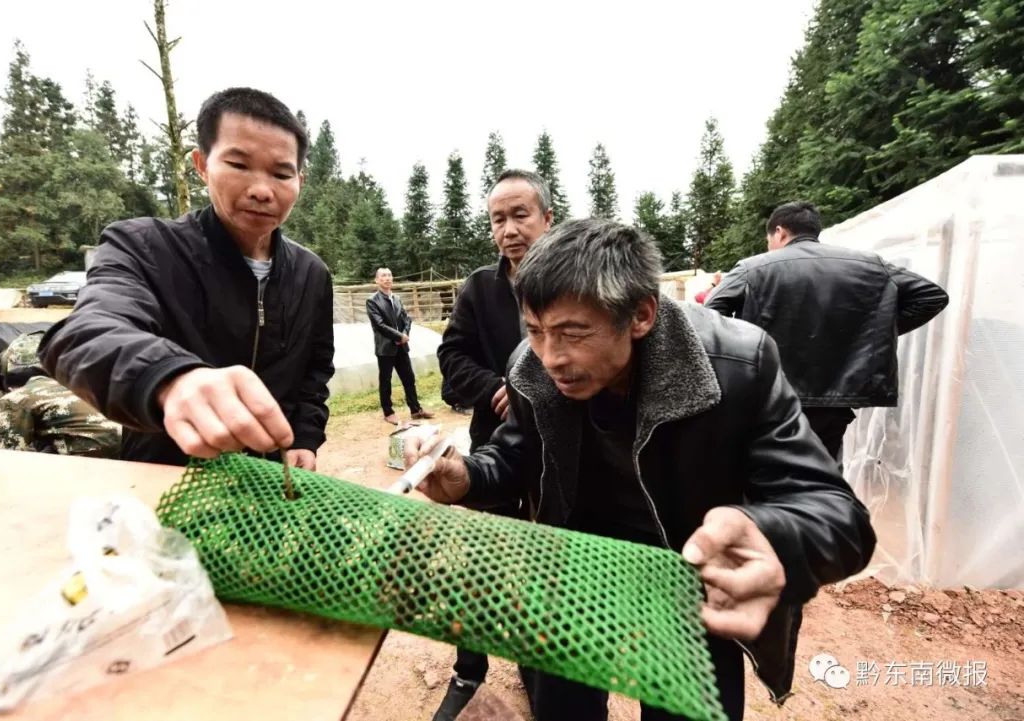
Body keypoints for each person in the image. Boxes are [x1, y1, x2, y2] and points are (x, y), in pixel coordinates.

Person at [406, 219, 877, 721]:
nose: (552, 357)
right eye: (537, 331)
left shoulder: (739, 363)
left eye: (573, 333)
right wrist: (469, 477)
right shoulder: (531, 366)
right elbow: (517, 455)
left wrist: (773, 535)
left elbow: (839, 517)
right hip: (575, 579)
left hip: (690, 585)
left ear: (641, 315)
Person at [40, 87, 334, 468]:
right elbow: (85, 334)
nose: (262, 190)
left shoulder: (312, 274)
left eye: (281, 173)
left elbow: (315, 369)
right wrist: (171, 377)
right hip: (167, 475)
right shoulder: (143, 247)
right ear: (201, 164)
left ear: (300, 181)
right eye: (239, 165)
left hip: (270, 477)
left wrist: (305, 437)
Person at [431, 168, 552, 720]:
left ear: (547, 218)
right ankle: (469, 671)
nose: (509, 229)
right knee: (478, 565)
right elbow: (452, 357)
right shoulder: (480, 288)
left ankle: (537, 664)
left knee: (548, 561)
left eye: (520, 214)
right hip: (494, 448)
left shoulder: (574, 277)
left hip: (559, 451)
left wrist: (536, 387)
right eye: (498, 219)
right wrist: (497, 387)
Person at [706, 201, 949, 461]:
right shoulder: (870, 264)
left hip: (771, 390)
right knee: (824, 469)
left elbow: (711, 313)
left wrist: (744, 348)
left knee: (767, 469)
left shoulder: (752, 267)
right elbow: (931, 296)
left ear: (779, 232)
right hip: (837, 395)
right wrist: (871, 331)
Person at [0, 331, 120, 457]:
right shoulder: (79, 387)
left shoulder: (16, 399)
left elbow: (9, 457)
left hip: (87, 463)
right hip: (125, 456)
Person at [366, 267, 433, 424]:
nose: (387, 278)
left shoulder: (396, 298)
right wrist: (398, 336)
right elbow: (379, 324)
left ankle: (415, 410)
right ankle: (388, 412)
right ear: (377, 280)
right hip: (385, 348)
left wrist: (404, 334)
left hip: (401, 346)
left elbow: (406, 319)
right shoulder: (372, 301)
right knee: (386, 380)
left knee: (409, 378)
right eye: (383, 276)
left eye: (389, 275)